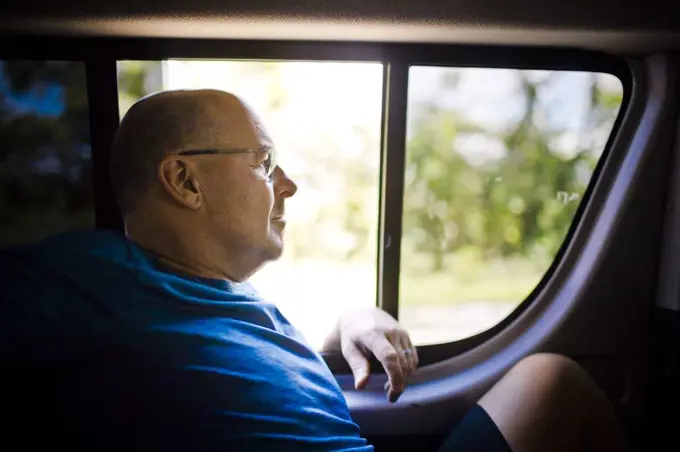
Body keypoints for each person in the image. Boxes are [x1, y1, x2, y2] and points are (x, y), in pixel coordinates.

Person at [0, 89, 632, 452]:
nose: (290, 185)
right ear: (184, 179)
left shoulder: (236, 300)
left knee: (549, 381)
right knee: (552, 383)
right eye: (264, 161)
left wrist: (348, 322)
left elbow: (265, 366)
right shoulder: (87, 276)